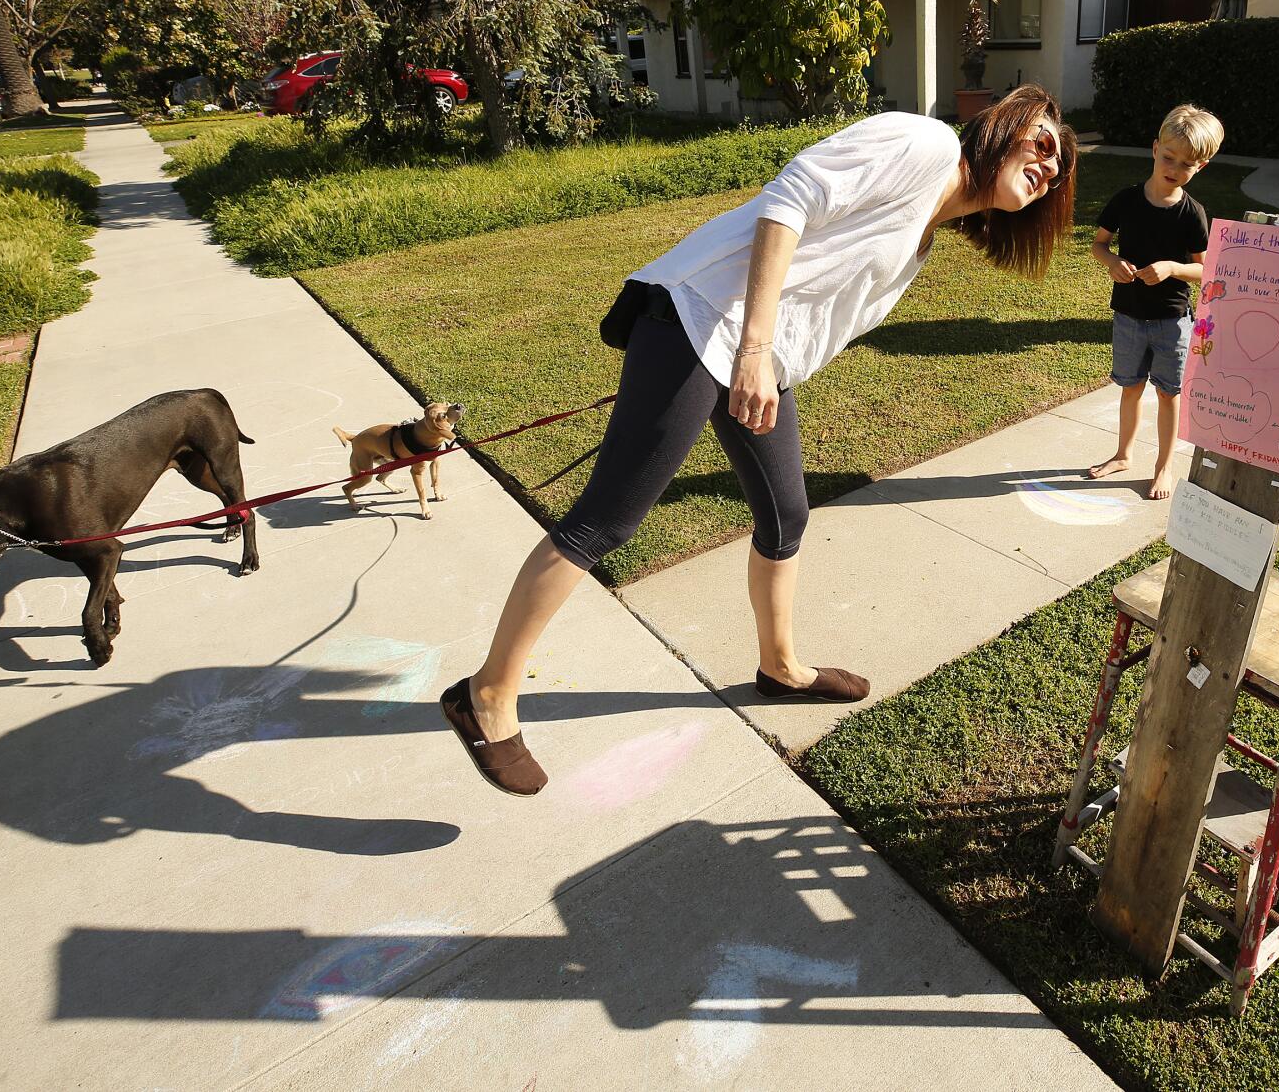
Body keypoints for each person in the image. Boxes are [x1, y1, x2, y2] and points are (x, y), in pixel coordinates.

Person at [444, 87, 1079, 795]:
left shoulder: (925, 236)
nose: (1050, 165)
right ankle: (487, 694)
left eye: (1061, 167)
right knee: (604, 521)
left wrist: (763, 367)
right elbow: (790, 199)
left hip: (754, 362)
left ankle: (781, 667)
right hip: (702, 321)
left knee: (786, 514)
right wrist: (752, 351)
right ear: (1001, 127)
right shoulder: (925, 146)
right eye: (1042, 141)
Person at [1086, 104, 1219, 501]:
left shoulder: (1192, 214)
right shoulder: (1126, 200)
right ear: (1154, 147)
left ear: (1202, 166)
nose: (1175, 168)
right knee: (1130, 387)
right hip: (1128, 315)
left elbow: (1207, 271)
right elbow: (1098, 245)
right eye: (1168, 157)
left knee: (1167, 393)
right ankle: (1123, 454)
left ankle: (1164, 465)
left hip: (1171, 320)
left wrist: (1173, 268)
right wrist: (1112, 262)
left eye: (1187, 164)